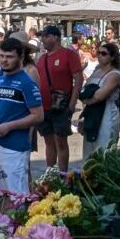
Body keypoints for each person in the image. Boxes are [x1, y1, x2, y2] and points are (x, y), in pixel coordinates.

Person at [0, 37, 44, 196]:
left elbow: (38, 116)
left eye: (9, 57)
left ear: (21, 57)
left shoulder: (27, 83)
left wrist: (9, 126)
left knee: (17, 197)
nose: (4, 60)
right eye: (2, 56)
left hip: (15, 148)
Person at [36, 24, 82, 172]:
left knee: (61, 141)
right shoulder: (41, 58)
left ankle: (62, 174)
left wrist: (73, 103)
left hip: (61, 105)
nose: (43, 39)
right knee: (49, 141)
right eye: (42, 36)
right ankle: (50, 174)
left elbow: (78, 79)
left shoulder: (69, 55)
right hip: (44, 107)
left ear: (56, 37)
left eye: (46, 36)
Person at [81, 41, 120, 159]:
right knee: (89, 148)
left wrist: (87, 99)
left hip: (107, 113)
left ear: (112, 57)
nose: (99, 55)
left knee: (103, 147)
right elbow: (84, 91)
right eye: (98, 52)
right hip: (92, 112)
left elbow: (99, 96)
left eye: (103, 53)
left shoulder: (115, 74)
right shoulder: (96, 71)